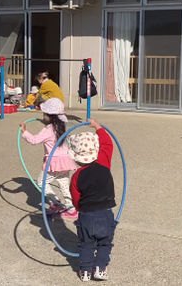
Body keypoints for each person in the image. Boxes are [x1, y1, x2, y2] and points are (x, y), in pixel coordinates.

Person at [68, 119, 116, 282]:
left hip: (87, 215)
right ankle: (100, 269)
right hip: (106, 214)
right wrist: (98, 127)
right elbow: (108, 144)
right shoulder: (103, 162)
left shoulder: (76, 175)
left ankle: (85, 271)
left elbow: (75, 198)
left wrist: (78, 207)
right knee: (104, 244)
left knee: (86, 244)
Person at [20, 98, 77, 219]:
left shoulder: (48, 129)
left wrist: (24, 131)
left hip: (54, 162)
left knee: (41, 182)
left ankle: (55, 202)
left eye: (44, 114)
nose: (43, 116)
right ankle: (71, 208)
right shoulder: (60, 127)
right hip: (65, 161)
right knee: (63, 183)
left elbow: (34, 140)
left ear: (50, 116)